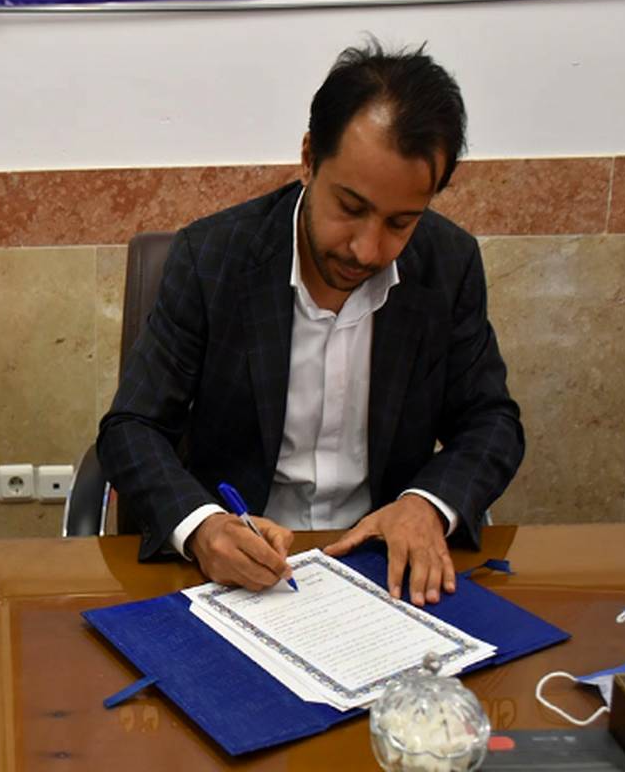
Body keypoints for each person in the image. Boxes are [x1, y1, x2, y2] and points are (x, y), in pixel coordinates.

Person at [97, 41, 524, 607]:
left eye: (400, 222)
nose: (368, 249)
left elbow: (491, 421)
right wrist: (203, 526)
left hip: (381, 568)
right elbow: (131, 427)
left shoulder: (448, 264)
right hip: (239, 568)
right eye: (350, 207)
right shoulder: (213, 258)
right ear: (308, 159)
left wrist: (426, 504)